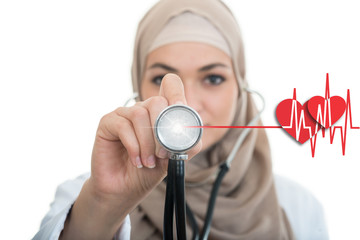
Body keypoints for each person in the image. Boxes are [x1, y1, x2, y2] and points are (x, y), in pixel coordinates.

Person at [33, 0, 329, 239]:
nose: (185, 103)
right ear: (138, 88)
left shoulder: (298, 207)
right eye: (161, 77)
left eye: (213, 78)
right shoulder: (84, 197)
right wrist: (104, 206)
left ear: (242, 92)